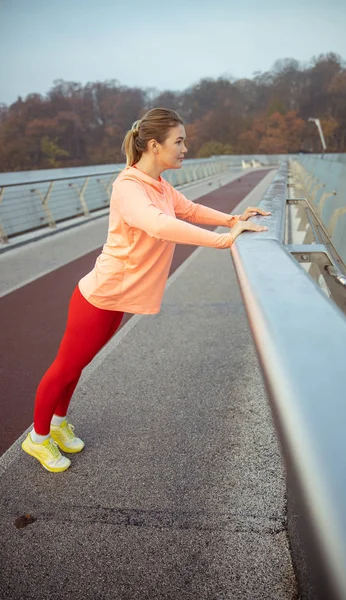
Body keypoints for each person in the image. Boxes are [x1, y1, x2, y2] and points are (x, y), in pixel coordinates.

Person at [21, 107, 270, 473]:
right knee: (65, 367)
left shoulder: (160, 186)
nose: (185, 148)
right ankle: (37, 439)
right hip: (100, 296)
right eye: (179, 141)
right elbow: (158, 225)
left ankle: (57, 425)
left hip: (116, 297)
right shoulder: (128, 187)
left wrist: (233, 219)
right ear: (154, 146)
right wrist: (223, 241)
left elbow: (189, 209)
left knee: (79, 365)